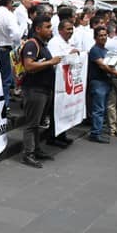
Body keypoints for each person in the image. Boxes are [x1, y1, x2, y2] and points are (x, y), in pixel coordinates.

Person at [20, 15, 61, 168]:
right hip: (34, 90)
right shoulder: (32, 45)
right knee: (32, 124)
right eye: (47, 27)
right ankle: (28, 154)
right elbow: (29, 66)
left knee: (37, 123)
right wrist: (51, 62)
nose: (51, 30)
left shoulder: (42, 45)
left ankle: (36, 150)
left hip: (44, 90)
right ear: (38, 29)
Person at [46, 18, 79, 147]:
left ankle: (62, 135)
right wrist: (69, 54)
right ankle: (53, 137)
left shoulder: (68, 42)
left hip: (67, 80)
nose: (70, 31)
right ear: (60, 30)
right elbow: (56, 60)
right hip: (56, 80)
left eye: (72, 29)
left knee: (65, 109)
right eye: (68, 29)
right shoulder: (55, 42)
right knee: (57, 110)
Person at [88, 26, 117, 143]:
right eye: (100, 35)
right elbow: (103, 65)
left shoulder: (105, 50)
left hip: (106, 82)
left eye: (105, 35)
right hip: (98, 83)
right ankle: (95, 133)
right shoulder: (95, 50)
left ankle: (98, 131)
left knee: (102, 109)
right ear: (95, 38)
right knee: (99, 109)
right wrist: (116, 72)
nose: (103, 37)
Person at [0, 0, 22, 111]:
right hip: (4, 48)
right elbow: (16, 34)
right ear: (9, 3)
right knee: (5, 79)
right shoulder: (9, 15)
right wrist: (17, 45)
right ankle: (4, 105)